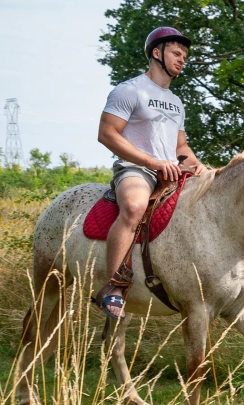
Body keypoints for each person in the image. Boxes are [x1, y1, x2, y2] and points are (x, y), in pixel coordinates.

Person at [94, 27, 207, 319]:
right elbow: (107, 133)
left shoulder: (177, 103)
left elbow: (180, 146)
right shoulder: (129, 90)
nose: (182, 59)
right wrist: (152, 161)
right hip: (137, 169)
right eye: (176, 53)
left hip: (170, 173)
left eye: (184, 55)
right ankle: (115, 286)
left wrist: (196, 164)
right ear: (157, 53)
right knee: (133, 207)